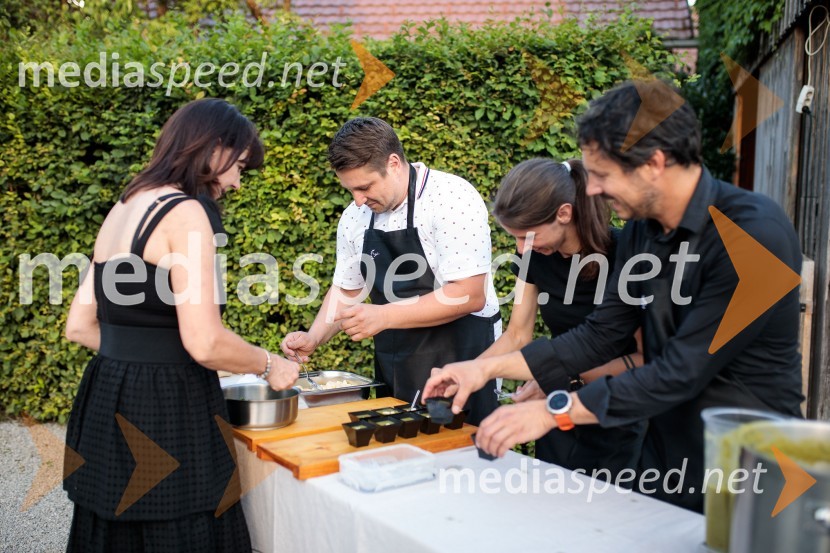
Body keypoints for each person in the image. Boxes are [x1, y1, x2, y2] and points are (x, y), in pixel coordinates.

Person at [423, 80, 803, 512]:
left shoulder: (753, 234)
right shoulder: (644, 231)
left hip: (752, 467)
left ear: (653, 163)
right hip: (664, 459)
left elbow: (680, 371)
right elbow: (598, 336)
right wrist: (481, 370)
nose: (590, 190)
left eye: (602, 175)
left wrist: (553, 411)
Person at [63, 98, 299, 551]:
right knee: (184, 529)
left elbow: (79, 324)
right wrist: (269, 364)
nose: (235, 181)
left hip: (106, 395)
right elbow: (205, 341)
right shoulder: (188, 213)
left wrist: (143, 359)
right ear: (214, 149)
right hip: (166, 409)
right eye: (240, 166)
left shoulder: (124, 207)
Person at [281, 117, 499, 424]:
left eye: (365, 187)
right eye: (350, 190)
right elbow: (348, 289)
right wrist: (314, 337)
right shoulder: (356, 216)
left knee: (464, 459)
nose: (358, 200)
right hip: (396, 366)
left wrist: (384, 316)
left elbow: (469, 294)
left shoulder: (451, 198)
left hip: (462, 360)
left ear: (394, 163)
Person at [484, 157, 644, 479]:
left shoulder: (627, 253)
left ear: (564, 214)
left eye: (526, 236)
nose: (519, 249)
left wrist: (564, 378)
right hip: (557, 409)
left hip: (619, 414)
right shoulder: (533, 256)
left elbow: (646, 358)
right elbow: (517, 335)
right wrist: (466, 372)